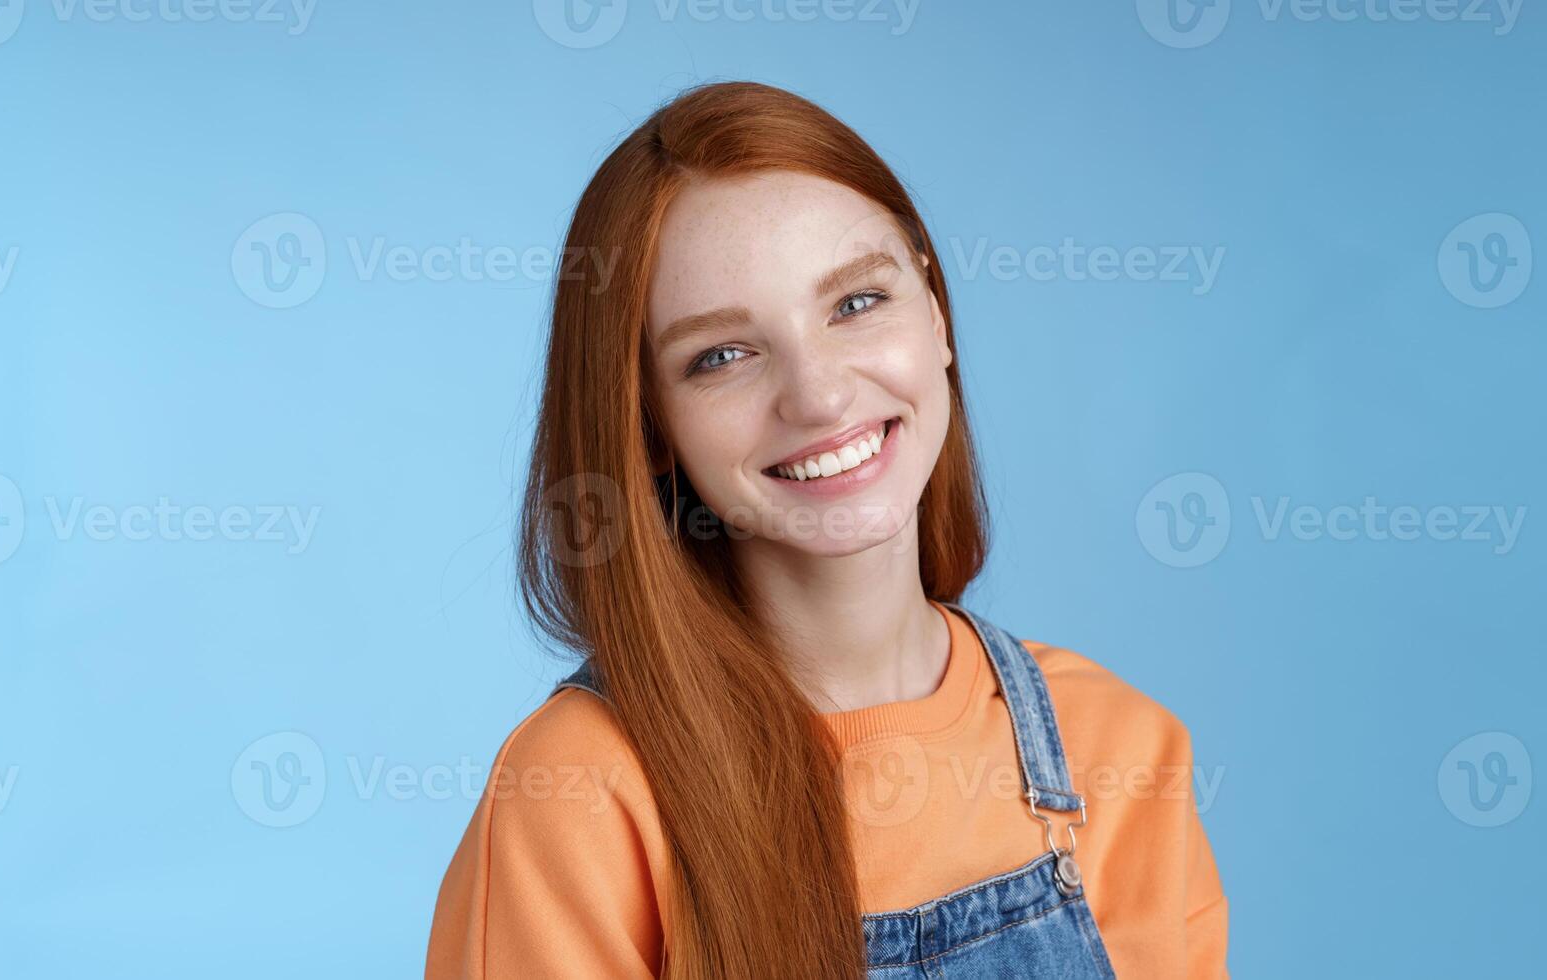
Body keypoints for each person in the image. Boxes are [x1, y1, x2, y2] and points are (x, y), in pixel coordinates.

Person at [427, 80, 1228, 979]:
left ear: (934, 312)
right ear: (649, 427)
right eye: (721, 356)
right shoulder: (581, 794)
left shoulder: (1119, 750)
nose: (818, 395)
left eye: (856, 303)